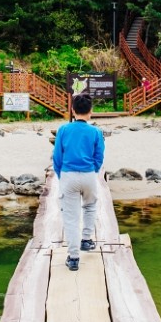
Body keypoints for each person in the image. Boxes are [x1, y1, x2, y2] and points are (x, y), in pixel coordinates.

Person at [52, 93, 105, 272]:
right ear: (91, 112)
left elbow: (57, 157)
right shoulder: (96, 132)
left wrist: (61, 175)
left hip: (69, 175)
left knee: (71, 216)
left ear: (73, 110)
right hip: (89, 174)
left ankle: (73, 257)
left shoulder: (63, 130)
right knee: (90, 206)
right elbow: (99, 157)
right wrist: (93, 171)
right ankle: (87, 240)